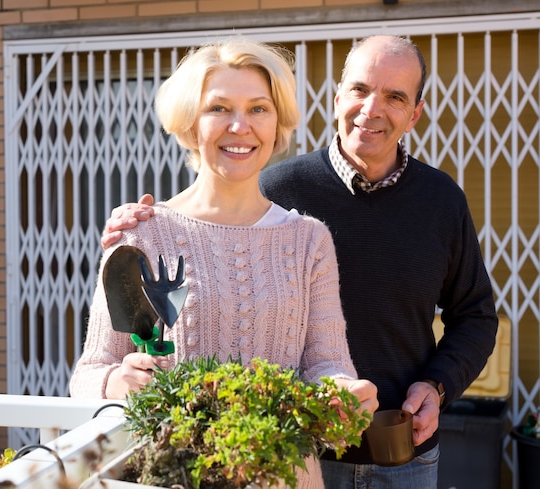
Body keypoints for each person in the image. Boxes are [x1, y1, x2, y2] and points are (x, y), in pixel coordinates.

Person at [100, 35, 499, 489]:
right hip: (294, 451)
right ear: (336, 98)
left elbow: (475, 317)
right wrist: (143, 228)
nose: (372, 109)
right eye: (360, 89)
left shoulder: (439, 201)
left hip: (401, 454)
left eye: (395, 97)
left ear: (415, 113)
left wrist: (438, 386)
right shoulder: (273, 187)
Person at [70, 37, 378, 489]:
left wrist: (342, 394)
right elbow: (88, 375)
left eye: (258, 108)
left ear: (277, 124)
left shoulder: (308, 241)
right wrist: (118, 382)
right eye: (219, 108)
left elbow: (326, 365)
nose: (240, 125)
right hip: (173, 477)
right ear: (191, 124)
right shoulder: (140, 235)